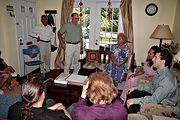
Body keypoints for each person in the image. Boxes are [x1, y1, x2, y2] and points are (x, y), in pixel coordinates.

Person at [126, 49, 178, 113]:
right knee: (131, 92)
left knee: (133, 106)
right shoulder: (159, 72)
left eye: (156, 58)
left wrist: (134, 101)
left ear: (163, 61)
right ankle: (124, 114)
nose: (153, 59)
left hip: (163, 105)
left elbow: (155, 99)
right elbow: (150, 85)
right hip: (154, 95)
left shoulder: (167, 80)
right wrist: (135, 88)